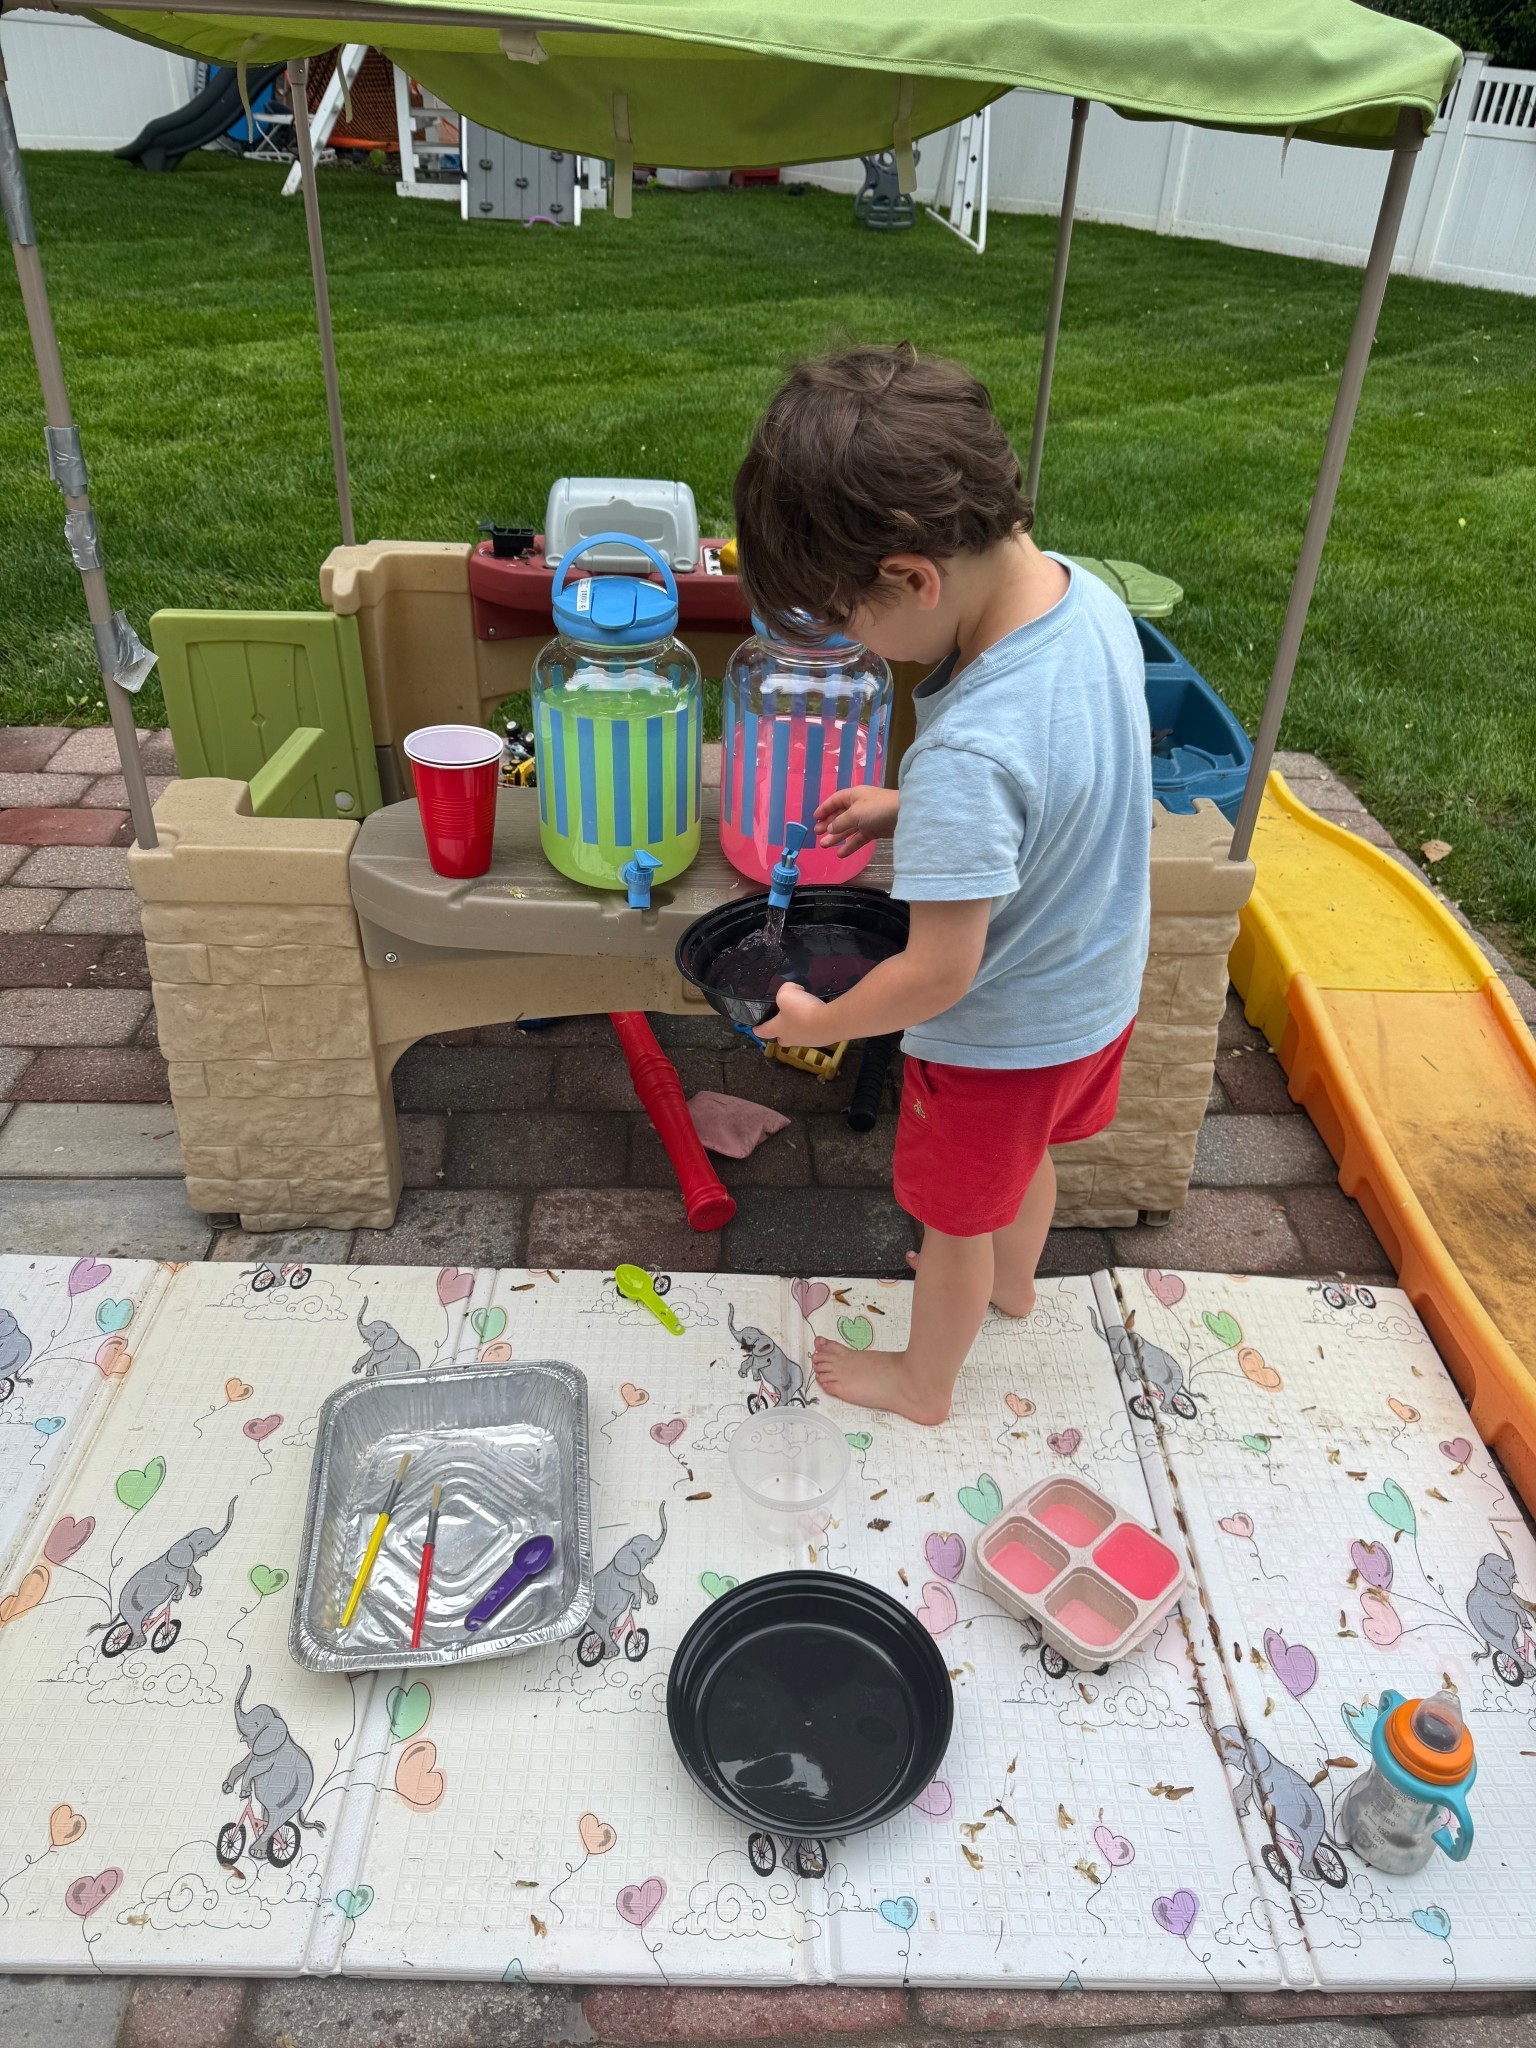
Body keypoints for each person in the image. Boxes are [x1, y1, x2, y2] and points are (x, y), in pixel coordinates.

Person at [733, 343, 1151, 1424]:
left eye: (850, 619)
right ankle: (1017, 1285)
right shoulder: (1085, 598)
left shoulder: (967, 748)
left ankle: (925, 1379)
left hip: (999, 1036)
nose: (856, 643)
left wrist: (819, 1016)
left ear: (914, 578)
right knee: (1030, 1158)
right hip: (1095, 998)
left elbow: (935, 973)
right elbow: (1057, 779)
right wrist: (913, 811)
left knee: (953, 1215)